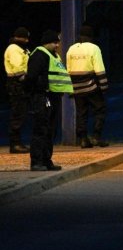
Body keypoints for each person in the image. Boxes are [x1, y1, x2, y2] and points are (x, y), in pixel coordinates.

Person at [25, 30, 73, 171]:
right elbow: (31, 77)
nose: (57, 45)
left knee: (50, 130)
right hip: (42, 96)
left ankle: (46, 160)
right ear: (47, 42)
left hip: (53, 96)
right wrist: (37, 91)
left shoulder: (54, 56)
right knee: (41, 129)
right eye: (55, 42)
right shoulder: (39, 55)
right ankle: (37, 162)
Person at [66, 25, 109, 148]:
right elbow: (99, 69)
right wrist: (104, 86)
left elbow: (68, 69)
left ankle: (83, 139)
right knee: (100, 110)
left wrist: (70, 88)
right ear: (91, 36)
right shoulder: (94, 48)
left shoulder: (71, 49)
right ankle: (96, 136)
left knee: (81, 113)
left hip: (76, 87)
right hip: (91, 86)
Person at [3, 27, 31, 153]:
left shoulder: (20, 49)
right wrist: (26, 79)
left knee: (21, 113)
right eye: (25, 38)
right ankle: (15, 144)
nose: (26, 40)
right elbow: (18, 68)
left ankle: (17, 143)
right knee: (18, 113)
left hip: (19, 83)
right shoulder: (14, 49)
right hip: (17, 83)